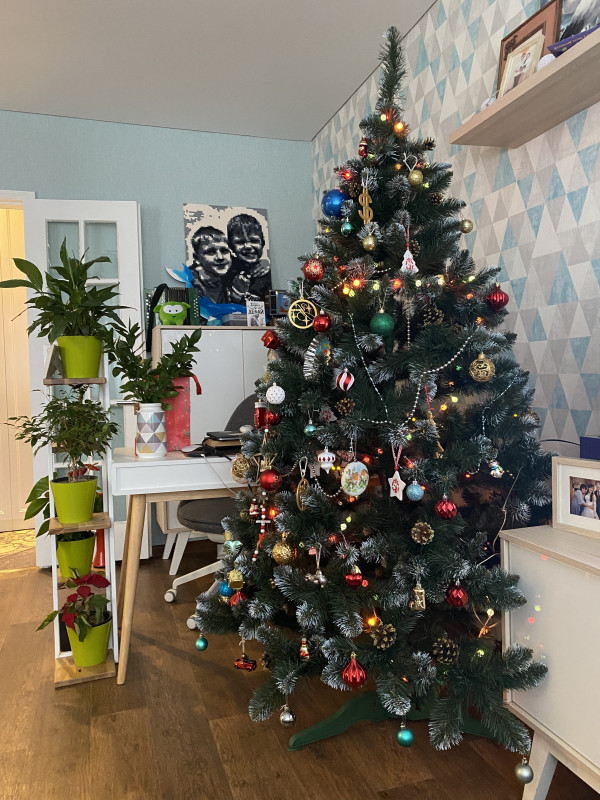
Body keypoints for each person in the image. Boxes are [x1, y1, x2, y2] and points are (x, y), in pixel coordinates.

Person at [227, 214, 271, 304]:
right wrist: (237, 292)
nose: (247, 246)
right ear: (231, 246)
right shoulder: (225, 270)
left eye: (254, 241)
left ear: (263, 243)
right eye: (240, 242)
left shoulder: (267, 273)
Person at [189, 225, 233, 304]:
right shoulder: (190, 284)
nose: (220, 257)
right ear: (197, 258)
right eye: (211, 252)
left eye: (224, 251)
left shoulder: (230, 281)